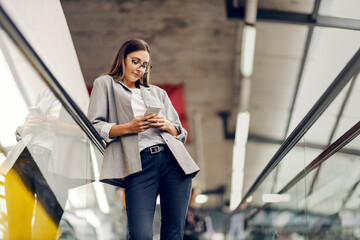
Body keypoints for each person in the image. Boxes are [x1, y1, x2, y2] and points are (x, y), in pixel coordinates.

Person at [88, 39, 200, 239]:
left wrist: (165, 124)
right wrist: (128, 127)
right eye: (136, 61)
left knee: (174, 233)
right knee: (140, 234)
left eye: (145, 65)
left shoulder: (158, 93)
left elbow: (181, 133)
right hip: (138, 165)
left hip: (173, 162)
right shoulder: (105, 84)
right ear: (123, 59)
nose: (140, 68)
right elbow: (94, 126)